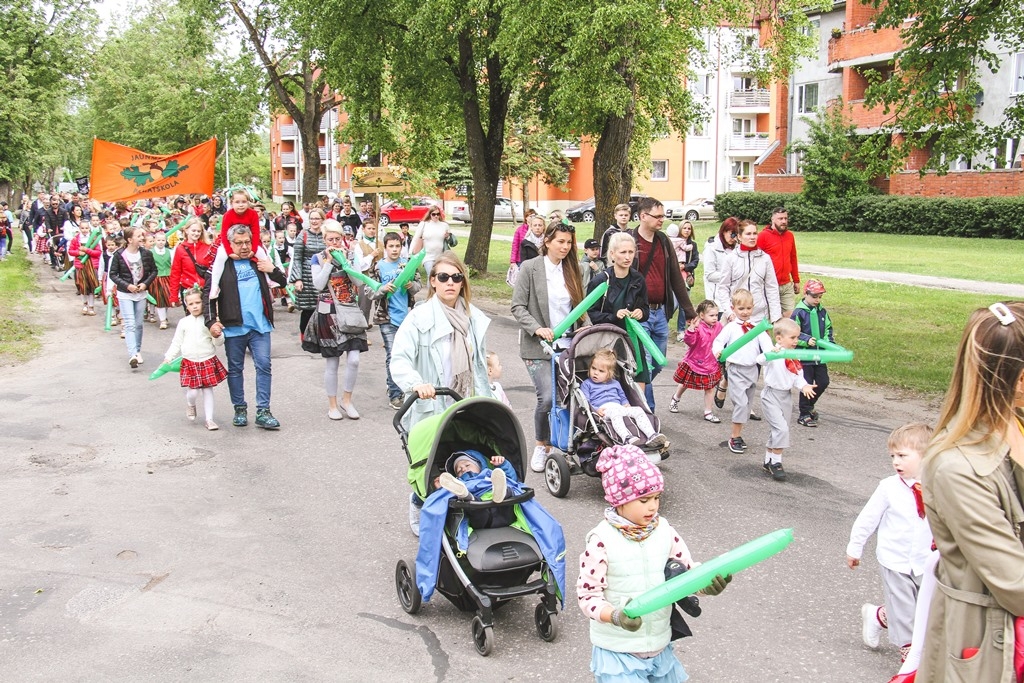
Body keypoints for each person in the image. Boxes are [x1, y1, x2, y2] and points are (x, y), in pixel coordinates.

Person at [917, 301, 1024, 682]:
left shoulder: (1015, 426)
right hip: (991, 648)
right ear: (1019, 378)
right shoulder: (956, 467)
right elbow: (1014, 582)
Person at [577, 444, 731, 683]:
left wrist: (706, 583)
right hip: (617, 653)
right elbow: (588, 597)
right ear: (620, 500)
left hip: (660, 646)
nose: (653, 506)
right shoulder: (601, 541)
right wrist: (616, 616)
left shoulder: (665, 531)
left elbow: (686, 574)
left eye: (656, 497)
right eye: (643, 499)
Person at [391, 252, 493, 536]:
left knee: (465, 457)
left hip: (464, 401)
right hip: (431, 402)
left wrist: (490, 398)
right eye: (444, 277)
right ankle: (418, 502)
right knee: (430, 465)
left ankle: (465, 509)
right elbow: (399, 359)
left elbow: (479, 365)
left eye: (456, 277)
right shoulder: (419, 318)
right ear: (433, 282)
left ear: (463, 283)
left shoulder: (473, 319)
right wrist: (415, 383)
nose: (450, 282)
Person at [846, 423, 935, 666]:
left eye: (903, 456)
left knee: (924, 607)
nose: (896, 461)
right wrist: (855, 547)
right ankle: (910, 655)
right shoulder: (888, 487)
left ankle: (878, 616)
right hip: (895, 559)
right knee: (906, 610)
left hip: (926, 560)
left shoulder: (938, 485)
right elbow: (868, 518)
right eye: (893, 456)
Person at [512, 220, 586, 473]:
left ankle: (565, 443)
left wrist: (587, 329)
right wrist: (537, 328)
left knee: (571, 398)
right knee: (547, 398)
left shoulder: (574, 270)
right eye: (560, 242)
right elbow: (518, 307)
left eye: (569, 243)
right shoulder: (530, 268)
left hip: (569, 344)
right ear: (547, 241)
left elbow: (580, 308)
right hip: (538, 346)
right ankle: (541, 444)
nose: (565, 247)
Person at [202, 225, 287, 430]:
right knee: (235, 369)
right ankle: (239, 408)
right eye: (239, 243)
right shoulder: (222, 265)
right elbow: (208, 294)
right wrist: (211, 321)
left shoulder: (257, 260)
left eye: (247, 242)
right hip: (233, 327)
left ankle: (263, 411)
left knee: (264, 366)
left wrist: (272, 269)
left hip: (260, 326)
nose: (244, 246)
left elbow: (283, 281)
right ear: (229, 244)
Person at [629, 197, 697, 410]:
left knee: (658, 363)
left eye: (663, 215)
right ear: (643, 216)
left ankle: (633, 391)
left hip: (660, 313)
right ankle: (648, 412)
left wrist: (689, 311)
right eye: (657, 216)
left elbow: (676, 277)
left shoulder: (664, 241)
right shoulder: (629, 240)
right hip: (639, 314)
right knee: (646, 365)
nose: (662, 220)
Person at [301, 220, 368, 421]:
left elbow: (358, 282)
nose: (335, 242)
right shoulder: (318, 258)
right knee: (332, 361)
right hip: (327, 311)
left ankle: (347, 400)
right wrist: (329, 262)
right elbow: (318, 285)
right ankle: (332, 404)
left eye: (338, 239)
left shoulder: (350, 255)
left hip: (349, 311)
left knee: (354, 359)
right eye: (330, 239)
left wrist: (347, 264)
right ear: (324, 240)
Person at [752, 318, 817, 481]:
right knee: (781, 429)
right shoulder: (774, 353)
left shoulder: (794, 356)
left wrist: (805, 386)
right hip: (771, 395)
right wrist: (771, 354)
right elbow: (760, 360)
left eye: (797, 338)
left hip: (786, 397)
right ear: (780, 338)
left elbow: (797, 377)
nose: (796, 341)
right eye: (793, 338)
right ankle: (776, 463)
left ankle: (768, 460)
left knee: (778, 430)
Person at [586, 231, 651, 387]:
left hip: (631, 338)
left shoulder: (638, 279)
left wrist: (640, 312)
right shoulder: (601, 280)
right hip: (606, 340)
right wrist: (614, 316)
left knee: (639, 380)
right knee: (609, 382)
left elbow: (645, 309)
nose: (627, 257)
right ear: (612, 254)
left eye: (631, 252)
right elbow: (589, 314)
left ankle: (639, 410)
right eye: (623, 252)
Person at [712, 289, 772, 455]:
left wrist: (771, 354)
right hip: (736, 369)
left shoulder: (756, 329)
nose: (745, 312)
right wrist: (718, 351)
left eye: (748, 308)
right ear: (733, 308)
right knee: (741, 404)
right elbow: (718, 342)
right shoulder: (731, 328)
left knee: (747, 404)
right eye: (741, 309)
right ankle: (735, 437)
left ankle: (739, 433)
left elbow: (767, 346)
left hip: (753, 370)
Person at [368, 231, 422, 409]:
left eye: (397, 246)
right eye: (391, 246)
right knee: (393, 355)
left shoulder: (408, 265)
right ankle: (395, 394)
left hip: (407, 317)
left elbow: (418, 286)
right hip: (387, 318)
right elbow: (369, 292)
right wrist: (382, 289)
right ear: (385, 247)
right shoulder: (378, 267)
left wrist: (411, 286)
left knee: (408, 355)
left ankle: (397, 385)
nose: (394, 250)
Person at [163, 287, 227, 431]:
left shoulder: (208, 321)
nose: (195, 306)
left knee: (207, 389)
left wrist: (218, 335)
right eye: (191, 304)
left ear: (203, 303)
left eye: (198, 302)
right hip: (190, 361)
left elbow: (218, 342)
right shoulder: (183, 322)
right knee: (192, 392)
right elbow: (177, 342)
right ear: (186, 305)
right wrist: (168, 357)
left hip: (207, 359)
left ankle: (209, 419)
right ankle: (191, 404)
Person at [582, 349, 668, 449]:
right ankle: (626, 437)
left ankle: (651, 435)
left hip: (619, 407)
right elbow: (586, 401)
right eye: (593, 368)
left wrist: (626, 404)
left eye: (601, 371)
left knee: (638, 410)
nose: (595, 373)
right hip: (604, 410)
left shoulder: (615, 383)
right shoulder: (587, 384)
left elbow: (622, 397)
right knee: (615, 413)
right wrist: (596, 409)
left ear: (609, 373)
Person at [714, 219, 780, 325]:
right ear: (739, 237)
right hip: (736, 317)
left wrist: (776, 317)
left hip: (759, 316)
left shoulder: (765, 258)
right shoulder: (731, 258)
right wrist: (729, 312)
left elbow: (772, 288)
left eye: (755, 233)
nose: (752, 237)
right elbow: (723, 288)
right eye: (748, 234)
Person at [108, 226, 157, 369]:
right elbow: (113, 274)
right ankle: (133, 354)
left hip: (141, 293)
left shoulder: (146, 254)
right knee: (129, 324)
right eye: (138, 236)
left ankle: (138, 349)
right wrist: (127, 285)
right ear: (129, 239)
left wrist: (145, 284)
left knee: (139, 323)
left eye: (142, 236)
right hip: (125, 294)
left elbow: (154, 271)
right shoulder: (119, 255)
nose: (142, 238)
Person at [669, 299, 724, 422]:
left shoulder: (719, 326)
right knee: (685, 384)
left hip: (711, 364)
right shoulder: (698, 328)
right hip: (694, 362)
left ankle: (708, 412)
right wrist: (691, 330)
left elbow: (725, 336)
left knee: (709, 388)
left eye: (716, 315)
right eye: (711, 315)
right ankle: (675, 398)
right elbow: (690, 342)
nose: (715, 318)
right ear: (702, 315)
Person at [791, 279, 834, 428]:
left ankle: (809, 407)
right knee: (806, 385)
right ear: (806, 294)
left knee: (823, 382)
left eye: (820, 297)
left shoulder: (822, 311)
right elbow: (793, 332)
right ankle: (804, 414)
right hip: (805, 356)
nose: (817, 300)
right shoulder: (799, 312)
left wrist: (830, 344)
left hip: (819, 356)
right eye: (814, 296)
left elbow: (828, 328)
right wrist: (805, 340)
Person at [288, 207, 328, 336]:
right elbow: (297, 258)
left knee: (324, 307)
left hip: (323, 273)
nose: (314, 221)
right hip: (306, 275)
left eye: (317, 218)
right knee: (307, 309)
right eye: (312, 218)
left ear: (322, 220)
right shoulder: (303, 235)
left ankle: (322, 335)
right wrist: (297, 279)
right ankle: (304, 336)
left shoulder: (327, 234)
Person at [757, 207, 800, 318]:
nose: (784, 221)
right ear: (773, 219)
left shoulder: (790, 236)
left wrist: (796, 280)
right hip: (769, 284)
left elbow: (793, 258)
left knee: (790, 317)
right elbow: (756, 259)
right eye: (780, 218)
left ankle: (785, 335)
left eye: (785, 218)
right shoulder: (763, 236)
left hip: (786, 284)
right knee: (769, 317)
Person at [436, 450, 517, 505]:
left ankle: (501, 491)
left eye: (467, 465)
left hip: (501, 502)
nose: (463, 469)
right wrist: (441, 488)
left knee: (507, 485)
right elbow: (445, 499)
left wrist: (502, 464)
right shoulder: (460, 483)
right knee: (470, 504)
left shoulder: (490, 474)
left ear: (479, 465)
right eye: (459, 471)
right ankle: (467, 496)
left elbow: (512, 480)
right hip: (476, 506)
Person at [168, 218, 213, 308]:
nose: (196, 233)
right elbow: (175, 273)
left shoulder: (208, 247)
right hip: (188, 289)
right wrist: (174, 296)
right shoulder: (180, 249)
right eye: (193, 230)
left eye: (198, 231)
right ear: (186, 230)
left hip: (206, 289)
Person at [669, 221, 699, 341]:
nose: (687, 230)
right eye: (685, 228)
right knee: (673, 303)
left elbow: (695, 261)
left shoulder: (692, 245)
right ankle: (663, 323)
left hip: (686, 277)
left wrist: (685, 267)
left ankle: (681, 330)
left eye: (689, 228)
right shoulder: (673, 242)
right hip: (674, 276)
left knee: (684, 305)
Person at [67, 218, 102, 316]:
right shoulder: (75, 239)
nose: (85, 230)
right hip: (81, 265)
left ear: (89, 228)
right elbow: (70, 251)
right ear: (79, 228)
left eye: (86, 228)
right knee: (83, 287)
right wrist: (78, 252)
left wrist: (87, 250)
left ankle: (91, 306)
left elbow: (98, 253)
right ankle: (84, 305)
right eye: (82, 228)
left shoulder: (94, 239)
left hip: (91, 265)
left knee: (91, 287)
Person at [410, 205, 452, 277]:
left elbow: (450, 241)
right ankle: (431, 288)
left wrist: (448, 237)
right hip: (428, 256)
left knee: (439, 277)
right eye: (434, 214)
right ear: (430, 214)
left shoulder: (444, 225)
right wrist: (410, 253)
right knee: (431, 275)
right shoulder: (424, 224)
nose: (436, 216)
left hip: (440, 256)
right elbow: (415, 239)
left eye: (438, 214)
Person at [149, 231, 173, 329]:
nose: (161, 242)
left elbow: (172, 264)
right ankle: (162, 320)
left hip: (168, 277)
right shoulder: (150, 252)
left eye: (163, 240)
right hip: (156, 278)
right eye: (158, 240)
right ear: (155, 240)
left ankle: (164, 316)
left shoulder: (170, 252)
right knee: (159, 300)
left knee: (168, 299)